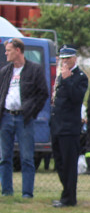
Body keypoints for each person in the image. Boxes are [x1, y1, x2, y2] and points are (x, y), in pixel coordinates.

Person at [0, 38, 48, 199]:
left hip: (24, 118)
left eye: (8, 50)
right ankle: (7, 191)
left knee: (27, 157)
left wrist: (31, 113)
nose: (6, 53)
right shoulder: (5, 71)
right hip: (6, 117)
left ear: (18, 51)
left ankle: (27, 193)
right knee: (4, 157)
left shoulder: (34, 70)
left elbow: (43, 94)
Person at [50, 45, 89, 208]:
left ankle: (69, 198)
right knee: (59, 163)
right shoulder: (61, 76)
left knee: (69, 164)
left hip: (70, 127)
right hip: (57, 125)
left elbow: (76, 98)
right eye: (62, 58)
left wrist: (66, 80)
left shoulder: (80, 77)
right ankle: (65, 193)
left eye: (67, 58)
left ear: (74, 59)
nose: (64, 62)